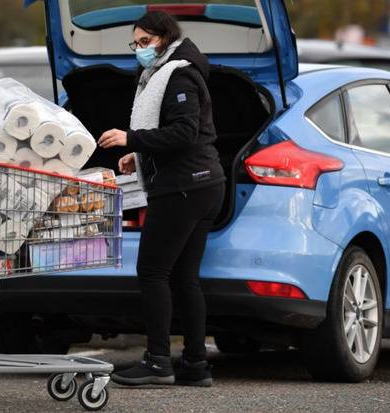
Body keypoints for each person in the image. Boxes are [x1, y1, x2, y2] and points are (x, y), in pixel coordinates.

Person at [97, 11, 226, 387]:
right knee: (186, 278)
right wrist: (137, 156)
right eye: (135, 44)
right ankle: (197, 364)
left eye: (145, 42)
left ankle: (157, 362)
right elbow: (172, 134)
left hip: (185, 187)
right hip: (202, 183)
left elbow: (184, 132)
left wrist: (131, 139)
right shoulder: (164, 73)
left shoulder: (179, 74)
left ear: (165, 39)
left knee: (153, 272)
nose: (139, 50)